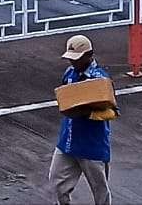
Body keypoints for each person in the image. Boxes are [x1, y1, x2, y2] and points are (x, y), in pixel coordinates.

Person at [49, 34, 115, 205]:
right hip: (68, 141)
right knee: (57, 184)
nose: (72, 62)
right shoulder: (69, 74)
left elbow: (111, 111)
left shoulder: (99, 79)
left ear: (89, 55)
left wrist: (85, 112)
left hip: (92, 145)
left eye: (76, 59)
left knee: (100, 191)